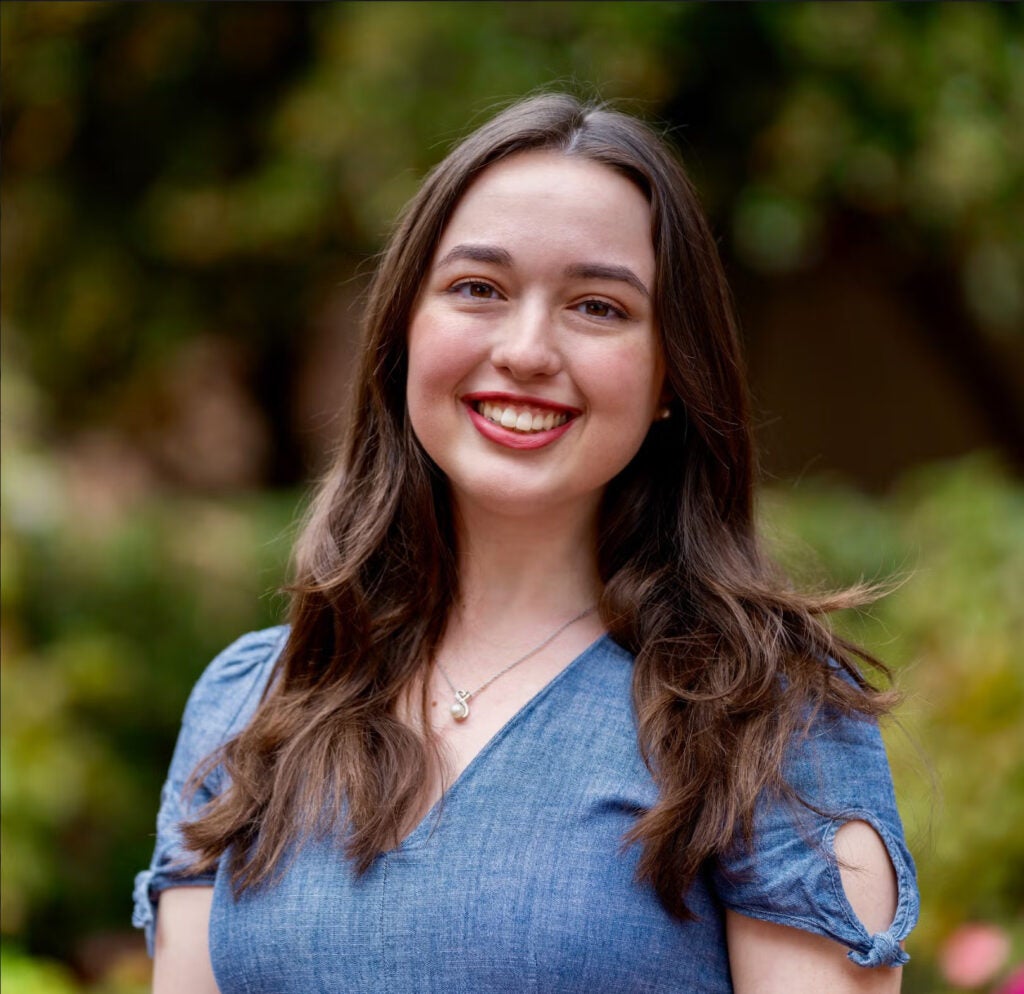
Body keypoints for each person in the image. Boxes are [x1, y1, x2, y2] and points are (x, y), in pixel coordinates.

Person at [133, 93, 918, 993]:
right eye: (479, 289)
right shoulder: (252, 706)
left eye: (597, 306)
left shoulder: (769, 718)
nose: (528, 349)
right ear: (401, 332)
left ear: (673, 372)